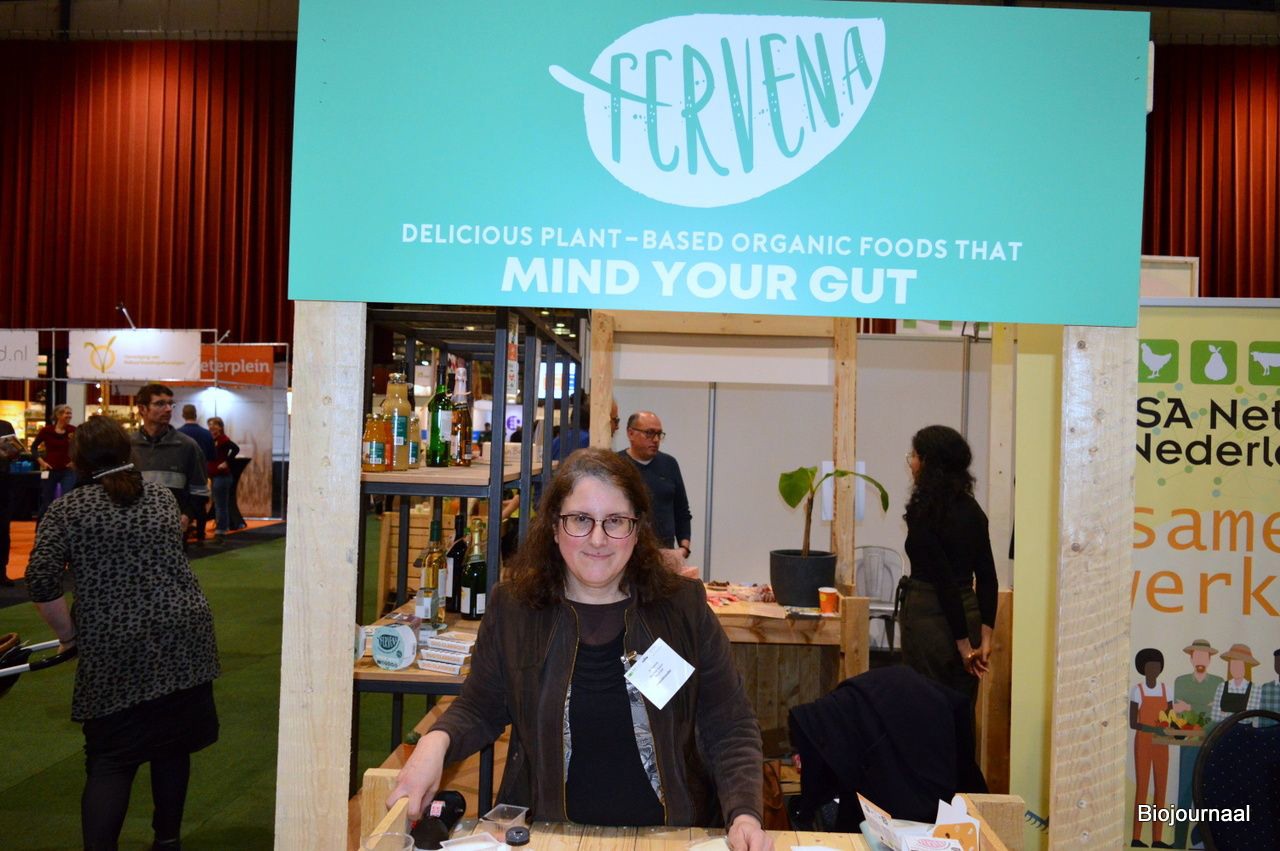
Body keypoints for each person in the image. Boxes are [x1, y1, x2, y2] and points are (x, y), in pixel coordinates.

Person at [387, 448, 770, 851]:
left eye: (615, 521)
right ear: (555, 527)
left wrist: (744, 814)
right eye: (581, 520)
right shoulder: (515, 608)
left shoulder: (681, 606)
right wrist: (435, 742)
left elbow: (730, 724)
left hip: (673, 838)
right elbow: (480, 707)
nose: (598, 539)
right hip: (547, 836)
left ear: (637, 529)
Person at [24, 415, 220, 851]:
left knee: (111, 758)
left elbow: (40, 580)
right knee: (172, 747)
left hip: (115, 643)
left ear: (78, 459)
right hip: (184, 634)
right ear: (126, 452)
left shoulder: (68, 510)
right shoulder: (160, 498)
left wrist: (68, 634)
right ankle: (167, 841)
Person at [898, 425, 999, 704]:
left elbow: (944, 582)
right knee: (961, 708)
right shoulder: (973, 510)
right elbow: (988, 578)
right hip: (969, 613)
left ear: (928, 463)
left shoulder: (924, 512)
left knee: (927, 706)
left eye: (914, 456)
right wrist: (985, 639)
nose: (911, 463)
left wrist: (963, 646)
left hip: (929, 618)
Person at [130, 384, 210, 539]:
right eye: (160, 404)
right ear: (142, 409)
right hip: (134, 531)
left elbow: (200, 491)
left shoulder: (187, 446)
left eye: (170, 404)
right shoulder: (127, 446)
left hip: (173, 533)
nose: (168, 409)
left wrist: (187, 515)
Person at [1170, 638, 1224, 848]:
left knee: (1209, 793)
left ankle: (1204, 841)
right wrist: (1205, 707)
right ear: (1191, 659)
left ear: (1209, 659)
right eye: (1197, 655)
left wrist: (1191, 706)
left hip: (1213, 744)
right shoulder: (1181, 681)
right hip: (1190, 743)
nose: (1200, 659)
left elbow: (1217, 713)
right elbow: (1179, 712)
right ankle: (1179, 842)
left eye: (1204, 655)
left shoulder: (1218, 682)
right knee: (1184, 793)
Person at [620, 411, 692, 566]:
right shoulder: (617, 464)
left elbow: (682, 511)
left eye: (659, 434)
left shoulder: (670, 464)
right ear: (631, 433)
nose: (656, 440)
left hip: (665, 557)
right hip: (626, 557)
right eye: (649, 433)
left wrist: (683, 549)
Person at [1129, 647, 1173, 849]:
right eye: (1149, 666)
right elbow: (1133, 723)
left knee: (1161, 788)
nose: (1153, 670)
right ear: (1142, 668)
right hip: (1144, 741)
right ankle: (1136, 837)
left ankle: (1157, 838)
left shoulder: (1166, 690)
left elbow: (1170, 718)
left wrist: (1176, 727)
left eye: (1156, 666)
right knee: (1142, 788)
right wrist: (1154, 728)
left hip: (1162, 743)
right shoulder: (1137, 691)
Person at [31, 403, 77, 521]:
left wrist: (74, 461)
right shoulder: (46, 431)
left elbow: (81, 447)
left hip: (68, 471)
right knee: (46, 501)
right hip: (49, 469)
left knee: (67, 499)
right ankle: (41, 526)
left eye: (70, 413)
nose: (69, 416)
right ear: (58, 415)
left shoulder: (73, 430)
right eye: (67, 413)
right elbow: (34, 447)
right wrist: (41, 462)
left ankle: (65, 525)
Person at [177, 405, 216, 543]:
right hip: (201, 474)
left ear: (183, 415)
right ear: (196, 414)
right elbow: (212, 456)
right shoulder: (206, 434)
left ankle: (183, 536)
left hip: (182, 476)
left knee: (183, 506)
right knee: (201, 505)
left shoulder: (177, 434)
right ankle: (200, 535)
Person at [206, 417, 242, 541]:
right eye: (210, 425)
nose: (211, 427)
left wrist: (227, 462)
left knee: (220, 504)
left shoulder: (223, 439)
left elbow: (236, 449)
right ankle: (221, 527)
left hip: (222, 476)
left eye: (214, 425)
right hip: (214, 476)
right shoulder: (212, 440)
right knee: (218, 503)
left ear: (220, 427)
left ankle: (221, 530)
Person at [1209, 643, 1262, 725]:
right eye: (1233, 664)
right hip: (1224, 730)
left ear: (1246, 667)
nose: (1235, 668)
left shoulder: (1255, 689)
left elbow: (1249, 718)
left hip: (1245, 731)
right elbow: (1215, 716)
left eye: (1239, 665)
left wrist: (1224, 714)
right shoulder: (1221, 687)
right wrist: (1239, 714)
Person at [0, 418, 17, 586]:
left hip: (3, 484)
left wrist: (11, 453)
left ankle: (1, 572)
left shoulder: (5, 426)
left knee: (3, 530)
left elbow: (16, 453)